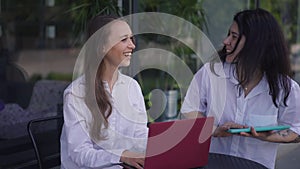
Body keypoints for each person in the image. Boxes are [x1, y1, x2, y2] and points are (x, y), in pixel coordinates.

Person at [181, 8, 300, 169]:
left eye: (234, 37)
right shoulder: (211, 73)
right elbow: (189, 111)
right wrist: (215, 130)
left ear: (255, 44)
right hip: (210, 164)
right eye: (228, 34)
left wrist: (267, 136)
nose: (226, 41)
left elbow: (296, 129)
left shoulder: (285, 88)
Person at [60, 15, 148, 169]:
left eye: (132, 39)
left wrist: (165, 146)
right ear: (102, 47)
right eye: (124, 40)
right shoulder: (76, 93)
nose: (132, 45)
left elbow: (140, 137)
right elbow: (80, 153)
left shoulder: (132, 87)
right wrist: (122, 156)